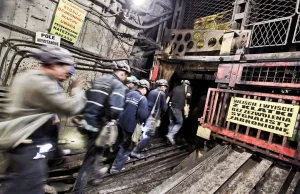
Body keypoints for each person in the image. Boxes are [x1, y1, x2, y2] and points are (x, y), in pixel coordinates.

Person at [0, 45, 86, 194]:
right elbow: (70, 107)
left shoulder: (27, 76)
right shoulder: (42, 83)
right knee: (29, 187)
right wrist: (77, 90)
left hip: (20, 141)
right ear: (54, 64)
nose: (68, 72)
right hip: (29, 145)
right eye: (67, 67)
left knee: (21, 183)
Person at [72, 60, 130, 194]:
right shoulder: (118, 85)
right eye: (125, 75)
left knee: (97, 150)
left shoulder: (99, 80)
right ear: (123, 73)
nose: (125, 78)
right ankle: (78, 190)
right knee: (90, 157)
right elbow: (116, 110)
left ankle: (96, 176)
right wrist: (114, 118)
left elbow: (88, 96)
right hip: (99, 126)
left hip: (87, 121)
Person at [110, 80, 149, 174]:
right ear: (144, 88)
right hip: (130, 125)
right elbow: (143, 115)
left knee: (118, 142)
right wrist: (143, 122)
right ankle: (115, 168)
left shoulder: (129, 94)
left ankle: (112, 160)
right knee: (126, 147)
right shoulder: (142, 99)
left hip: (120, 123)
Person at [130, 79, 168, 158]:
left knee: (140, 133)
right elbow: (164, 108)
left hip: (146, 115)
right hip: (152, 118)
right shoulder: (162, 94)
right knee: (146, 136)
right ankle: (135, 151)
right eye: (165, 87)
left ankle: (132, 148)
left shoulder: (151, 92)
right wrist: (166, 103)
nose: (165, 89)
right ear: (162, 86)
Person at [166, 80, 192, 145]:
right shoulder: (188, 87)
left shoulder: (176, 88)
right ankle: (170, 135)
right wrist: (187, 104)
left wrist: (165, 106)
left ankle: (169, 139)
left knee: (171, 122)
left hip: (171, 107)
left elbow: (168, 97)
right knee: (179, 123)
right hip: (178, 108)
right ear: (188, 84)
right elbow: (188, 95)